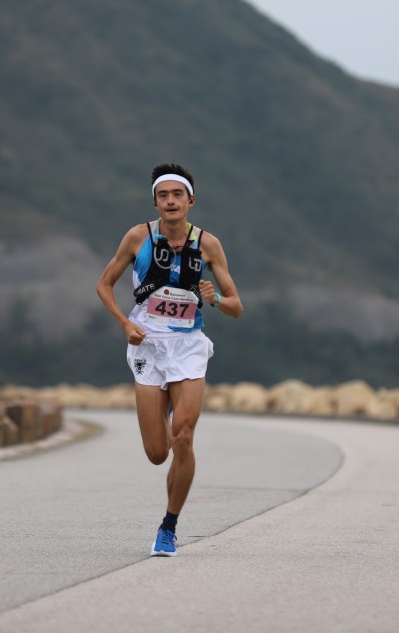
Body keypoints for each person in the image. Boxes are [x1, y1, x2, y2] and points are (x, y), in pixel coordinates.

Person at [96, 163, 243, 557]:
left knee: (184, 437)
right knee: (157, 452)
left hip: (189, 346)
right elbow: (104, 285)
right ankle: (159, 408)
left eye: (178, 194)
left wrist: (213, 299)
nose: (171, 201)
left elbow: (236, 307)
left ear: (191, 201)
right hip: (147, 345)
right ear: (156, 202)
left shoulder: (208, 244)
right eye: (163, 196)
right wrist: (125, 323)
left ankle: (169, 526)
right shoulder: (137, 236)